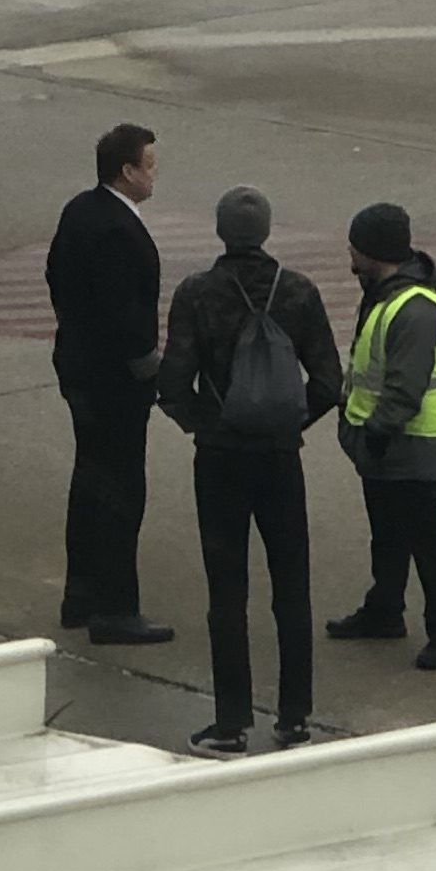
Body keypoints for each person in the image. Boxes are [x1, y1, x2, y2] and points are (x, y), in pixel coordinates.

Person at [157, 185, 343, 754]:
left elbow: (172, 385)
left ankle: (231, 722)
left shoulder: (197, 293)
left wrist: (207, 425)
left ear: (220, 232)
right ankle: (295, 718)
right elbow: (329, 382)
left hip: (220, 460)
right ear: (266, 231)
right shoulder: (298, 291)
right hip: (281, 458)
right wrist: (289, 422)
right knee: (292, 587)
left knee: (226, 591)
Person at [42, 121, 174, 646]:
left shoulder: (80, 210)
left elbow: (56, 276)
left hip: (78, 369)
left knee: (89, 482)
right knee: (121, 491)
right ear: (127, 171)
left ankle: (80, 596)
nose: (155, 175)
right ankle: (117, 608)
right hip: (113, 382)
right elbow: (126, 317)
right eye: (150, 165)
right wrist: (150, 367)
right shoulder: (120, 231)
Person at [327, 200, 436, 670]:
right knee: (387, 534)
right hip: (384, 440)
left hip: (411, 443)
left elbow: (406, 387)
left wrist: (375, 432)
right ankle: (385, 609)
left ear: (374, 251)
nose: (349, 253)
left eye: (354, 246)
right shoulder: (384, 292)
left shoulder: (415, 309)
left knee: (427, 539)